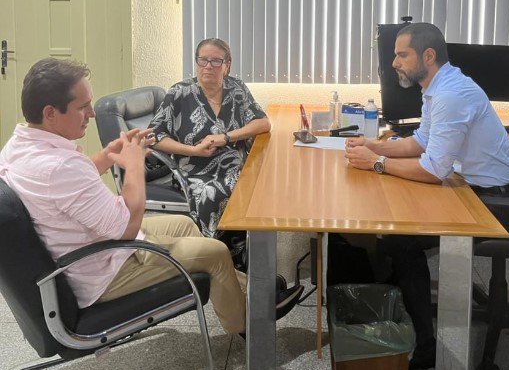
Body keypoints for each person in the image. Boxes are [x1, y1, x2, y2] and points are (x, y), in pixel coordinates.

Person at [0, 57, 302, 337]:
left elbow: (63, 186)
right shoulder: (61, 167)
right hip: (103, 272)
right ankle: (249, 324)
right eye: (83, 106)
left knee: (185, 225)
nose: (91, 113)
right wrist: (133, 166)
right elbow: (127, 227)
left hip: (92, 244)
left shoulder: (20, 145)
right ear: (50, 113)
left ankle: (254, 292)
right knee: (215, 252)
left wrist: (107, 155)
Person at [344, 23, 509, 370]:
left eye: (402, 55)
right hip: (468, 185)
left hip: (492, 202)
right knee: (394, 224)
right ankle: (397, 306)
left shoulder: (451, 94)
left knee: (402, 241)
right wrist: (374, 146)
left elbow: (433, 170)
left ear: (428, 56)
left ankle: (427, 347)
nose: (394, 63)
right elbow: (422, 141)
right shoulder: (436, 88)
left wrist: (376, 163)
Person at [149, 38, 269, 270]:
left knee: (258, 189)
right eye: (203, 60)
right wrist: (192, 149)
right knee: (217, 193)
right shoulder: (179, 93)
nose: (208, 66)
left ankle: (250, 265)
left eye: (216, 61)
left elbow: (263, 123)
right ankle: (221, 261)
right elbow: (155, 136)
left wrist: (226, 137)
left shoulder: (236, 89)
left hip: (235, 165)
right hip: (194, 168)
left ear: (227, 65)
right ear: (196, 63)